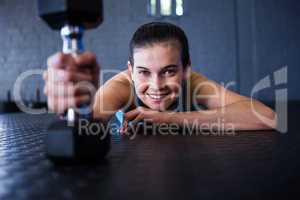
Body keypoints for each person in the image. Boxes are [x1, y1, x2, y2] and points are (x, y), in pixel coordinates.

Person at [43, 22, 276, 132]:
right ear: (131, 70)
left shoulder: (194, 82)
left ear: (186, 69)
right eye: (144, 72)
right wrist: (71, 106)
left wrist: (169, 119)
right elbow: (86, 121)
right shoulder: (122, 86)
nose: (156, 86)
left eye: (168, 71)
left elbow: (267, 117)